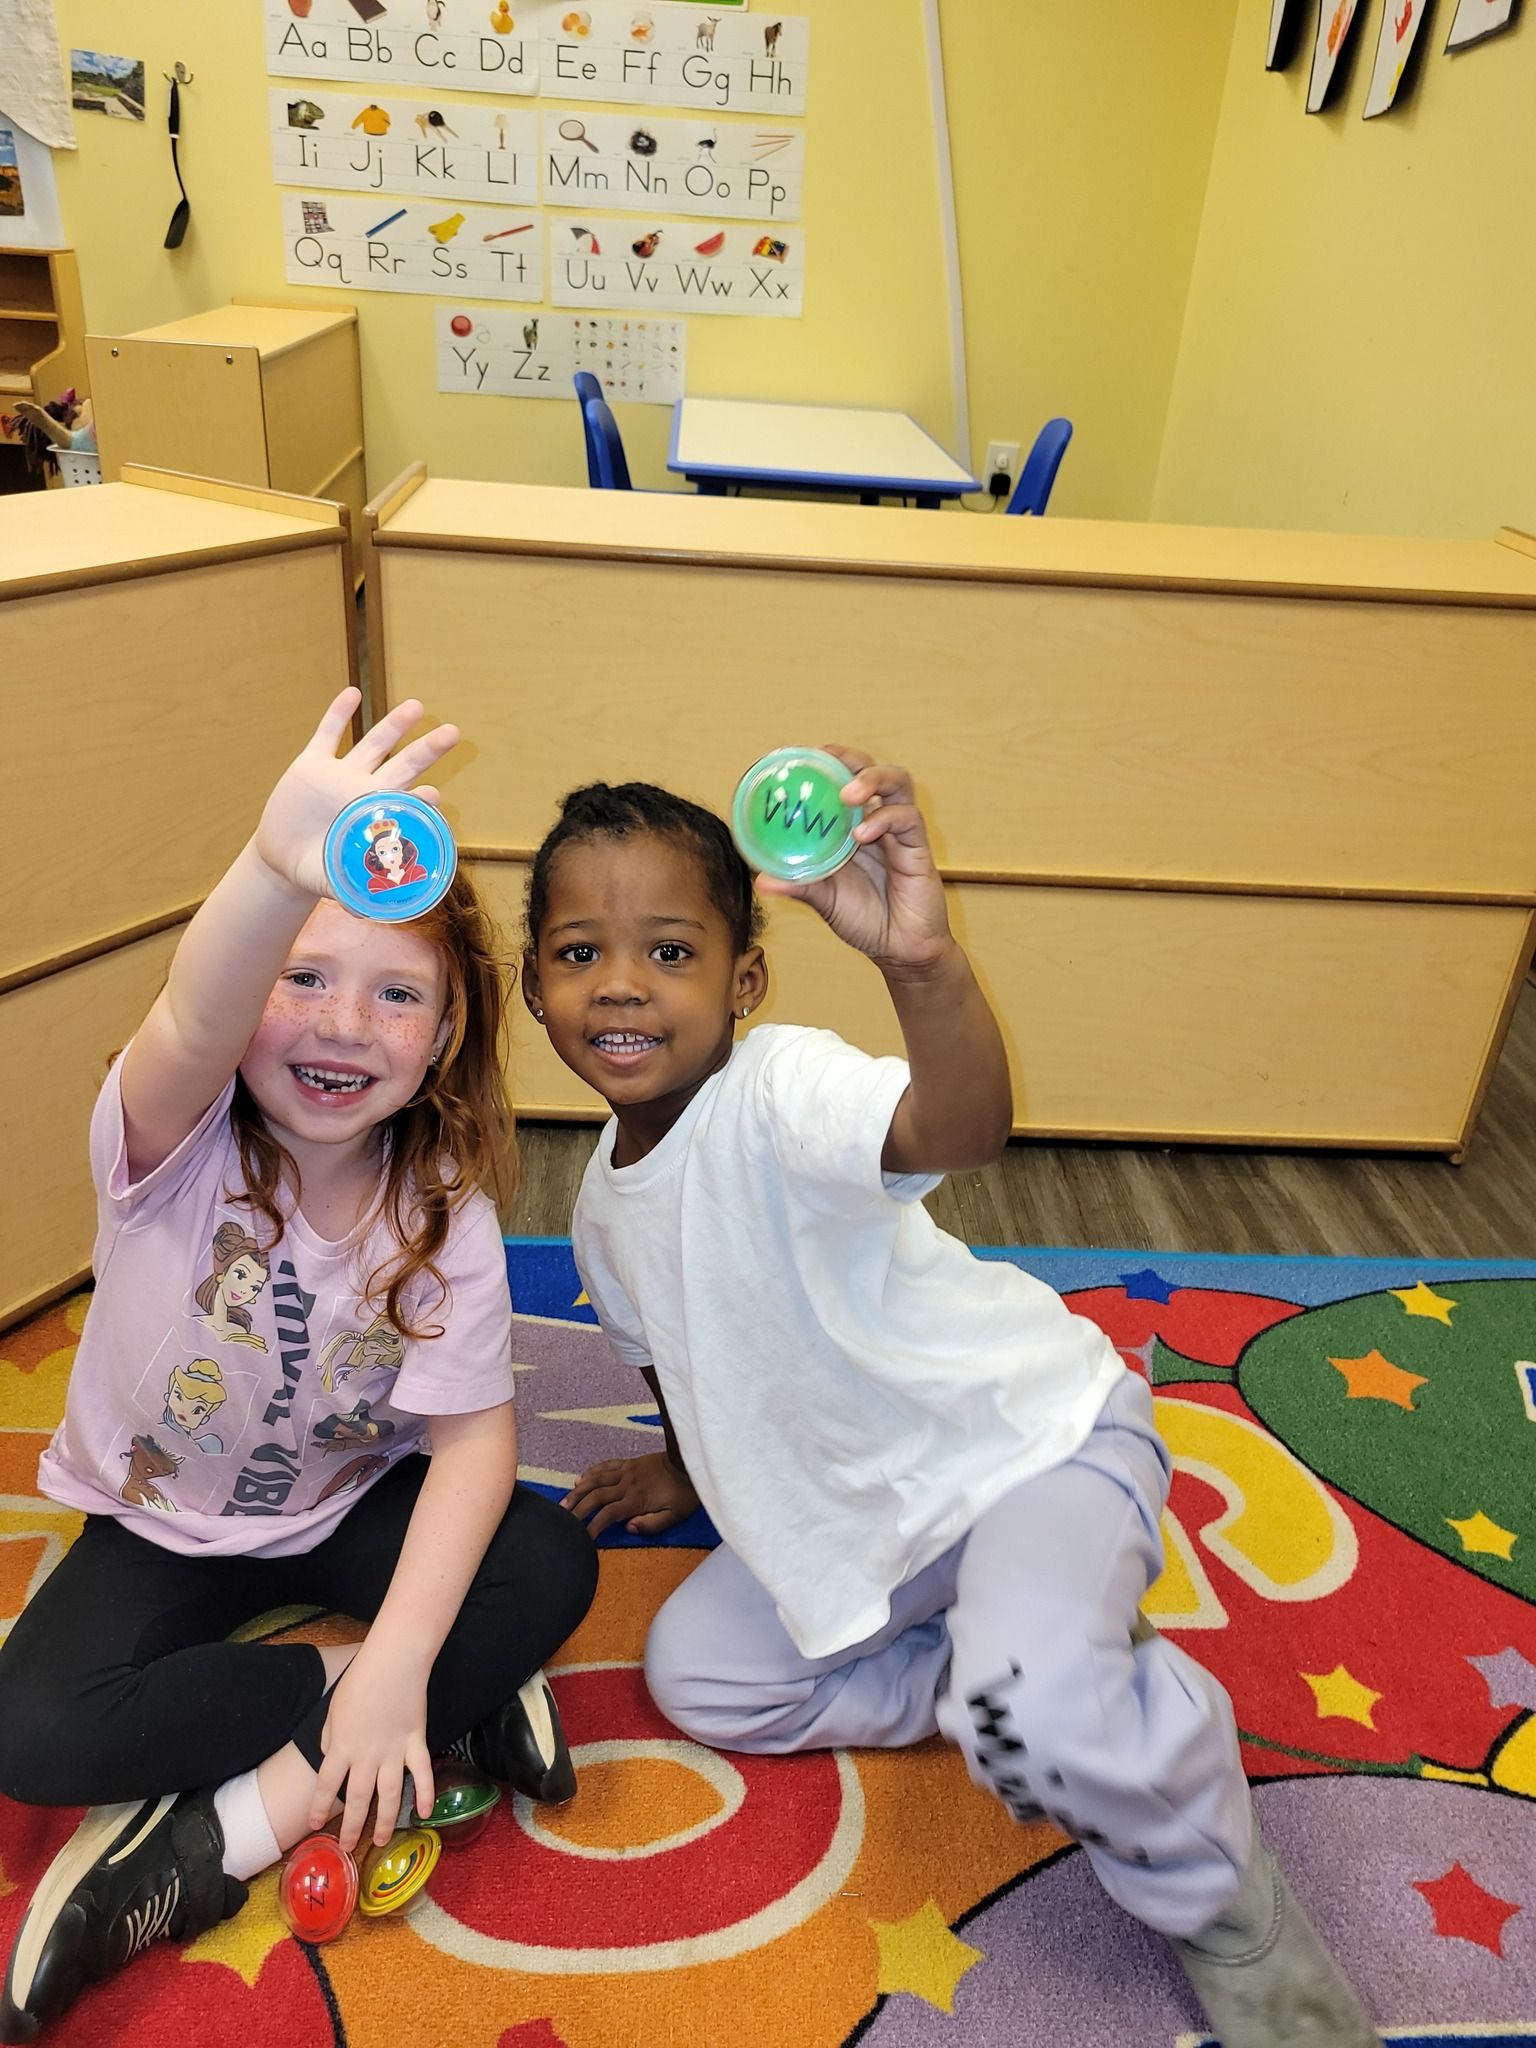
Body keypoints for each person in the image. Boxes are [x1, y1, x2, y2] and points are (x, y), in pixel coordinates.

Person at [527, 762, 1379, 2048]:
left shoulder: (779, 1090)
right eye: (580, 950)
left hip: (1030, 1452)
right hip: (876, 1521)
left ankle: (1226, 1901)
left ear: (743, 983)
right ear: (536, 986)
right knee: (701, 1677)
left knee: (1037, 1702)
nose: (623, 982)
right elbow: (672, 1354)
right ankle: (1029, 1665)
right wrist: (685, 1471)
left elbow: (960, 1125)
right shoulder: (600, 1206)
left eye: (672, 949)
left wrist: (921, 964)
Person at [0, 690, 597, 2043]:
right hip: (162, 1522)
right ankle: (437, 1691)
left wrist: (390, 1658)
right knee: (32, 1731)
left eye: (398, 997)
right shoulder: (172, 1139)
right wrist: (273, 870)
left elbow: (473, 1447)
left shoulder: (445, 1202)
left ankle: (226, 1833)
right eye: (303, 976)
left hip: (334, 1509)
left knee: (550, 1566)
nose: (341, 1026)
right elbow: (196, 1018)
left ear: (444, 1036)